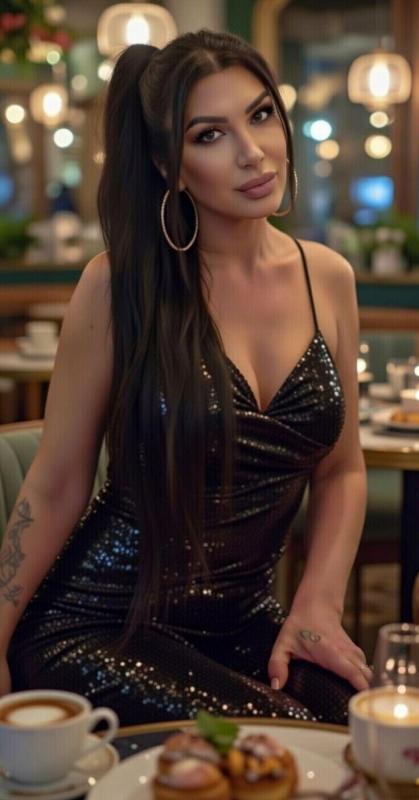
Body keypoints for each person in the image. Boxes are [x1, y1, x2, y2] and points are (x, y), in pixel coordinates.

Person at [0, 29, 372, 726]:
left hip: (246, 623)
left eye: (260, 114)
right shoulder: (117, 284)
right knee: (283, 741)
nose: (252, 151)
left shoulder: (327, 277)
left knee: (372, 728)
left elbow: (342, 470)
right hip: (100, 626)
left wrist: (317, 605)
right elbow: (55, 485)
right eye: (210, 135)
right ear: (168, 166)